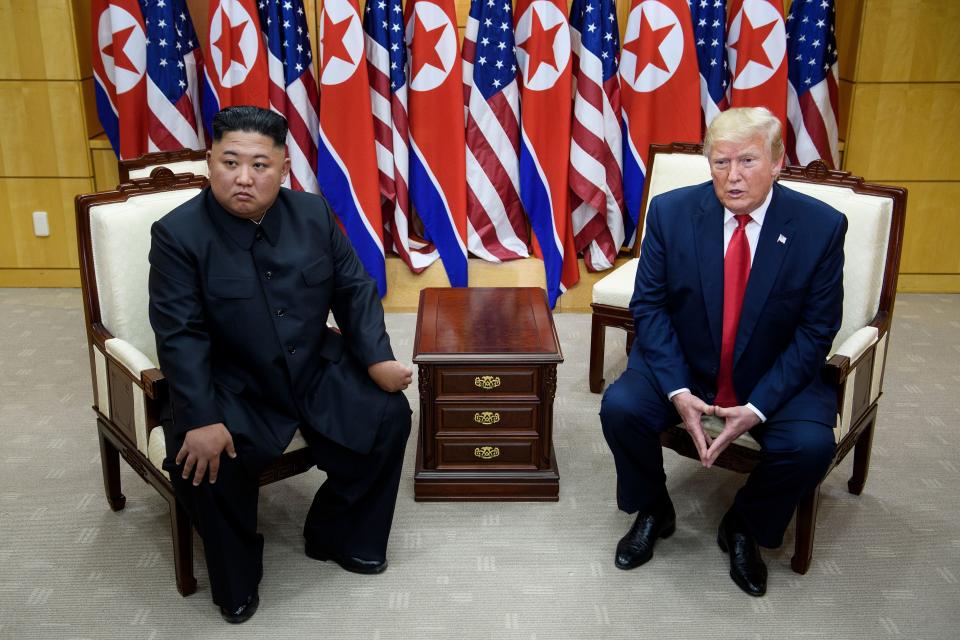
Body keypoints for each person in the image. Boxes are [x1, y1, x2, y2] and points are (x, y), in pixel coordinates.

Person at [148, 106, 413, 623]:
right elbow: (180, 335)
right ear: (209, 162)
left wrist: (377, 358)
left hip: (312, 365)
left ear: (284, 167)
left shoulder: (312, 214)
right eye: (230, 162)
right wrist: (200, 417)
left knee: (388, 415)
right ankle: (238, 573)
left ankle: (336, 532)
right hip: (230, 383)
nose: (244, 178)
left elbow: (353, 290)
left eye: (260, 165)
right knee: (204, 460)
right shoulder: (178, 235)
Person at [599, 107, 846, 596]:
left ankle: (745, 525)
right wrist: (676, 389)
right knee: (620, 408)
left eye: (748, 161)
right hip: (688, 363)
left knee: (811, 447)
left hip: (772, 370)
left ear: (777, 162)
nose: (733, 177)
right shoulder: (671, 213)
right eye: (720, 162)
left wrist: (757, 408)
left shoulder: (819, 227)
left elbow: (817, 332)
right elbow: (649, 306)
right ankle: (654, 507)